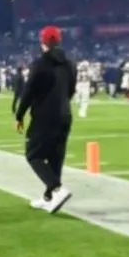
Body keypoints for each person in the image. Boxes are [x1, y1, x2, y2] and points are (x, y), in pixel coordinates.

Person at [15, 26, 76, 214]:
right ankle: (49, 197)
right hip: (65, 115)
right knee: (56, 157)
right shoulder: (70, 64)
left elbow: (29, 92)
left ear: (42, 41)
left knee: (33, 155)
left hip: (44, 117)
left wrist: (19, 115)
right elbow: (71, 90)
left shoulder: (40, 64)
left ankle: (56, 189)